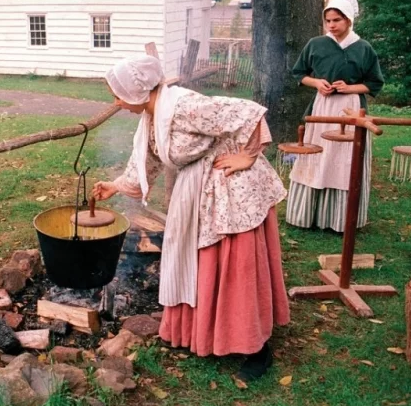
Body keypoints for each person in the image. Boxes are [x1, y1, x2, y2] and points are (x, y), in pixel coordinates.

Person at [92, 55, 289, 382]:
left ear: (138, 91)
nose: (116, 101)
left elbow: (248, 113)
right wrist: (115, 186)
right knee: (199, 264)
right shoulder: (154, 116)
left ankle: (256, 347)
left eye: (119, 94)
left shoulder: (184, 106)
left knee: (234, 268)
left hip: (228, 190)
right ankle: (205, 333)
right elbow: (150, 159)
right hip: (195, 190)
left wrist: (247, 156)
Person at [286, 0, 384, 233]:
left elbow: (374, 83)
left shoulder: (363, 48)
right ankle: (308, 216)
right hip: (323, 108)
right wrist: (317, 82)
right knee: (318, 156)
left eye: (337, 20)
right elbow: (299, 73)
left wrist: (350, 88)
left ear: (349, 20)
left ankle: (341, 219)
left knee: (344, 160)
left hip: (351, 108)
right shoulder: (316, 44)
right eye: (328, 20)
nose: (331, 25)